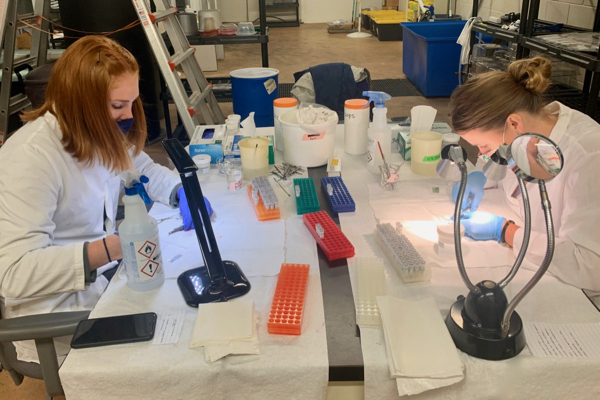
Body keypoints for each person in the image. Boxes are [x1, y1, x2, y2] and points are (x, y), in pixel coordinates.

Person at [0, 36, 209, 363]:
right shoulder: (31, 158)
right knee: (179, 344)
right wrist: (113, 247)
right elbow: (14, 276)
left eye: (131, 103)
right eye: (117, 106)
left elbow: (141, 167)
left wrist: (180, 192)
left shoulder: (95, 129)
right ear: (79, 101)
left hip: (108, 279)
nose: (127, 117)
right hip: (58, 312)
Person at [448, 56, 600, 292]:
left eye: (484, 147)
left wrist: (507, 232)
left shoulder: (590, 156)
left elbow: (589, 267)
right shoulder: (527, 130)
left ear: (514, 124)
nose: (482, 154)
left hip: (578, 294)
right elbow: (500, 169)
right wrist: (477, 177)